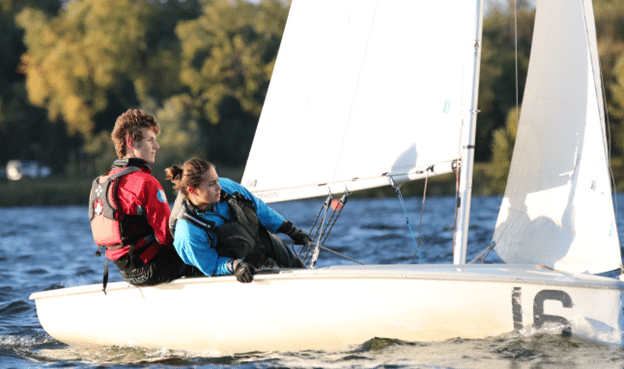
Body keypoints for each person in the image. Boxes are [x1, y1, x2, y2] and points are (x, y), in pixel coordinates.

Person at [88, 109, 200, 291]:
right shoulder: (146, 182)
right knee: (208, 249)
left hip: (127, 273)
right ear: (131, 142)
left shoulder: (103, 181)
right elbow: (166, 237)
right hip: (153, 269)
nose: (157, 146)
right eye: (150, 140)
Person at [165, 158, 309, 283]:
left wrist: (290, 229)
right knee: (282, 278)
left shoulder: (226, 187)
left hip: (261, 238)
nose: (219, 187)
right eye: (211, 184)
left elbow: (258, 207)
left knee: (302, 272)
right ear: (193, 191)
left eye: (217, 180)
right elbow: (211, 266)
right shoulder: (188, 233)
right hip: (241, 261)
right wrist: (235, 266)